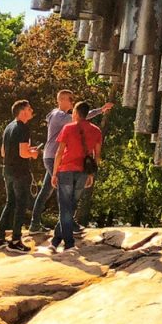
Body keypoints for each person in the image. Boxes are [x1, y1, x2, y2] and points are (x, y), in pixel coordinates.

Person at [29, 89, 111, 233]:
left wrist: (100, 110)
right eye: (70, 99)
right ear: (61, 100)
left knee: (46, 192)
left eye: (73, 99)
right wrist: (100, 110)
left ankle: (36, 224)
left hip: (55, 157)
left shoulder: (60, 115)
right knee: (64, 190)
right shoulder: (58, 116)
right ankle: (65, 224)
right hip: (53, 157)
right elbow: (81, 117)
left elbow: (81, 116)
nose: (73, 102)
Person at [51, 100, 102, 253]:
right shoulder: (96, 130)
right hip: (83, 172)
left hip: (66, 169)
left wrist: (54, 173)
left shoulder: (68, 128)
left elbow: (59, 152)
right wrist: (91, 174)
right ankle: (55, 241)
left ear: (76, 113)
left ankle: (68, 244)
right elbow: (97, 155)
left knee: (65, 207)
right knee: (71, 206)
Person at [0, 99, 40, 253]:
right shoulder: (23, 128)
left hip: (7, 170)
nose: (32, 110)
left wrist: (26, 150)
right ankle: (15, 240)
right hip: (20, 172)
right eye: (29, 108)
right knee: (20, 205)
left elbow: (3, 152)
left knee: (10, 203)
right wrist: (33, 154)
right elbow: (23, 153)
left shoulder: (9, 127)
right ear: (23, 111)